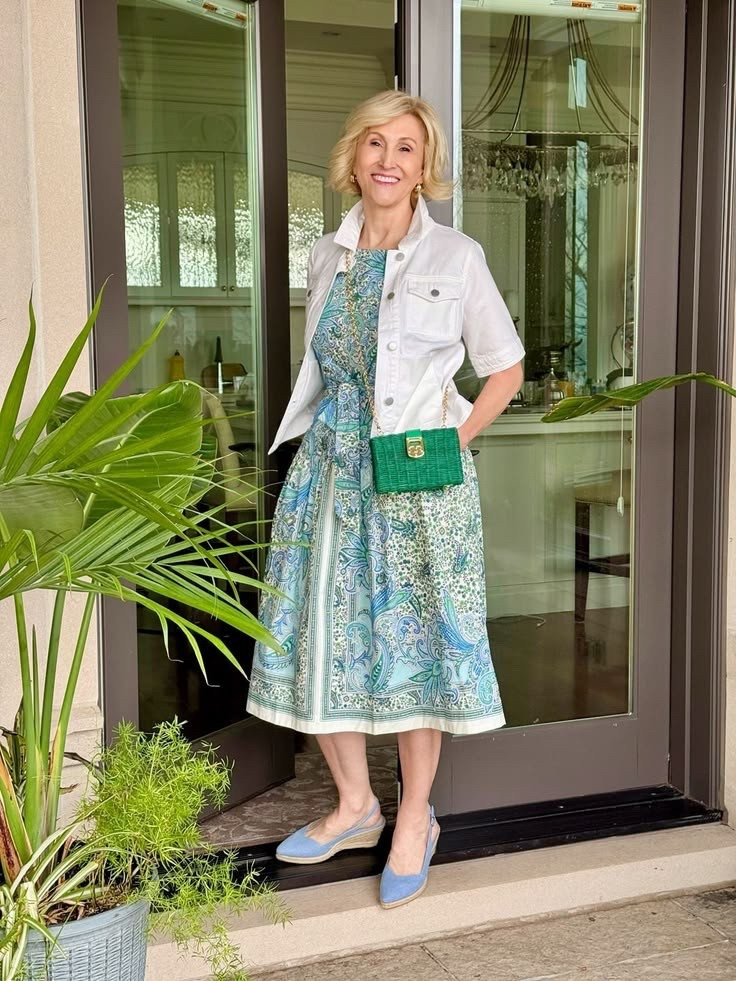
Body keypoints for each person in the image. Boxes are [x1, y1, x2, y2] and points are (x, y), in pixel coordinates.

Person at [246, 89, 524, 909]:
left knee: (415, 647)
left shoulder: (457, 258)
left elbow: (503, 369)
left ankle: (414, 819)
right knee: (313, 634)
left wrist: (452, 443)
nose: (388, 161)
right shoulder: (324, 256)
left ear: (423, 166)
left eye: (406, 147)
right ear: (354, 156)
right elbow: (332, 368)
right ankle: (356, 804)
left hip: (415, 478)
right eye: (375, 143)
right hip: (327, 472)